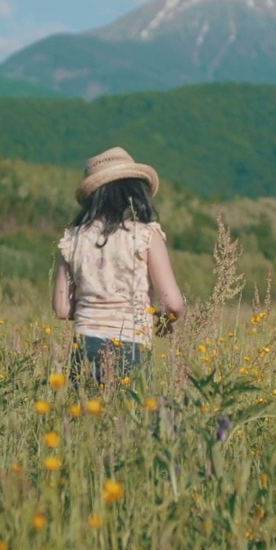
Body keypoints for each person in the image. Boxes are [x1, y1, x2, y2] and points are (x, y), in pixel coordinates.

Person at [52, 147, 185, 387]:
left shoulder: (73, 238)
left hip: (85, 344)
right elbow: (173, 303)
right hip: (131, 345)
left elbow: (62, 308)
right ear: (135, 191)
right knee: (131, 420)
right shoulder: (145, 235)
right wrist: (163, 322)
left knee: (85, 420)